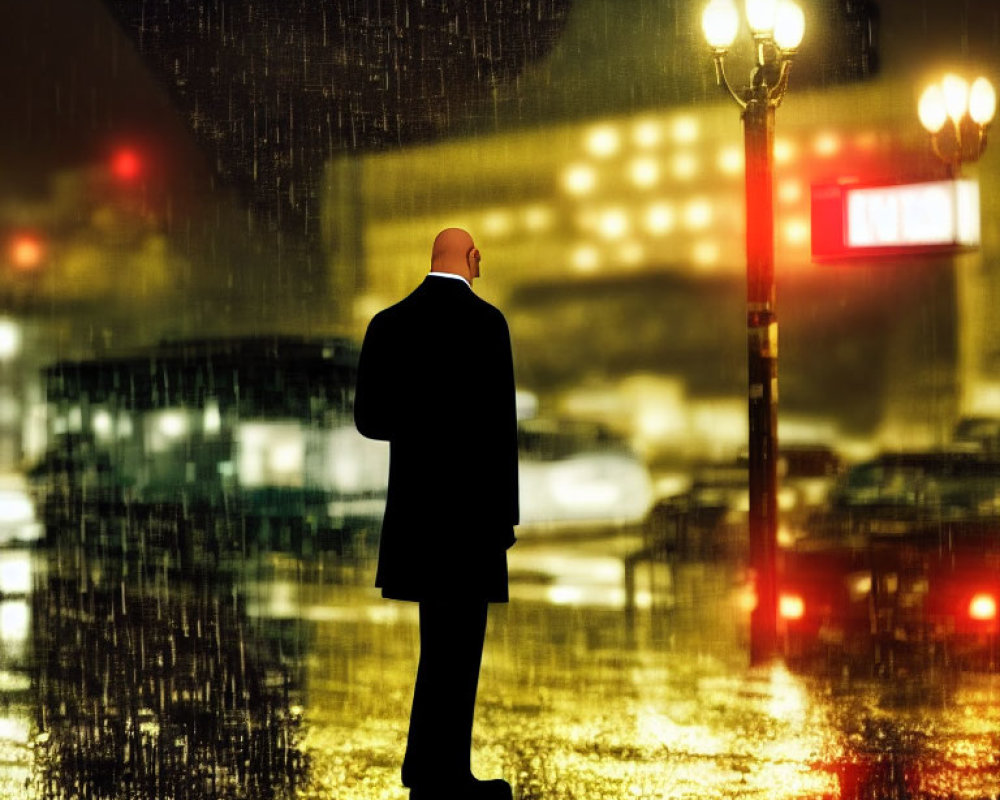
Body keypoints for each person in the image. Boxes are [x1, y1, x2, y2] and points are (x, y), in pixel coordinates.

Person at [354, 228, 519, 800]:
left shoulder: (388, 324)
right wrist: (506, 518)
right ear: (471, 259)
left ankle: (425, 767)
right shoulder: (488, 324)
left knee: (435, 643)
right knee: (460, 649)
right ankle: (446, 771)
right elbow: (502, 432)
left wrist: (423, 423)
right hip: (472, 516)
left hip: (419, 515)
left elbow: (370, 422)